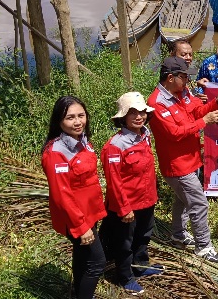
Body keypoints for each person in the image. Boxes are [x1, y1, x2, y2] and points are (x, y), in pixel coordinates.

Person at [147, 56, 218, 263]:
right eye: (184, 77)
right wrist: (204, 122)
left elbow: (197, 110)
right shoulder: (156, 104)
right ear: (170, 78)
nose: (188, 81)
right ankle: (203, 247)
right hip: (177, 165)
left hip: (192, 159)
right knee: (199, 204)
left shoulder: (182, 92)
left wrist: (216, 102)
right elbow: (175, 133)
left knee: (183, 201)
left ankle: (177, 234)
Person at [41, 96, 106, 299]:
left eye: (81, 115)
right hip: (76, 218)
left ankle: (78, 293)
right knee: (97, 262)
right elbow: (61, 194)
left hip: (89, 212)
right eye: (70, 118)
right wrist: (81, 226)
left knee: (82, 257)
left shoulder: (83, 142)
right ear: (59, 121)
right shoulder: (55, 153)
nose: (77, 122)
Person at [98, 92, 160, 294]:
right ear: (123, 117)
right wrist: (125, 209)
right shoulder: (115, 146)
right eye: (132, 113)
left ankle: (140, 267)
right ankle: (125, 277)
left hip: (147, 199)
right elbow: (114, 182)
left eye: (142, 112)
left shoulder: (145, 135)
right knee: (124, 243)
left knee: (143, 236)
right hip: (127, 205)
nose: (139, 117)